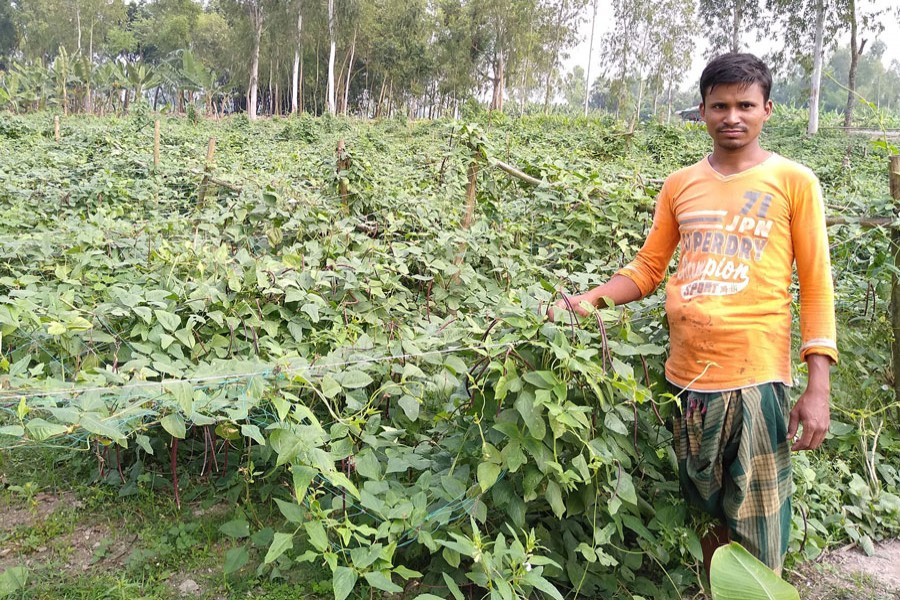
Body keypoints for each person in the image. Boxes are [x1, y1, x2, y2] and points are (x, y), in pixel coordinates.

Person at [554, 53, 837, 576]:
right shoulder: (680, 184)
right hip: (686, 378)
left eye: (745, 105)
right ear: (702, 112)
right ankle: (716, 589)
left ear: (768, 110)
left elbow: (818, 285)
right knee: (705, 510)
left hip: (755, 377)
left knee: (757, 520)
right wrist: (587, 300)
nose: (733, 116)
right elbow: (646, 270)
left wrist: (817, 386)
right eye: (720, 105)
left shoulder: (794, 181)